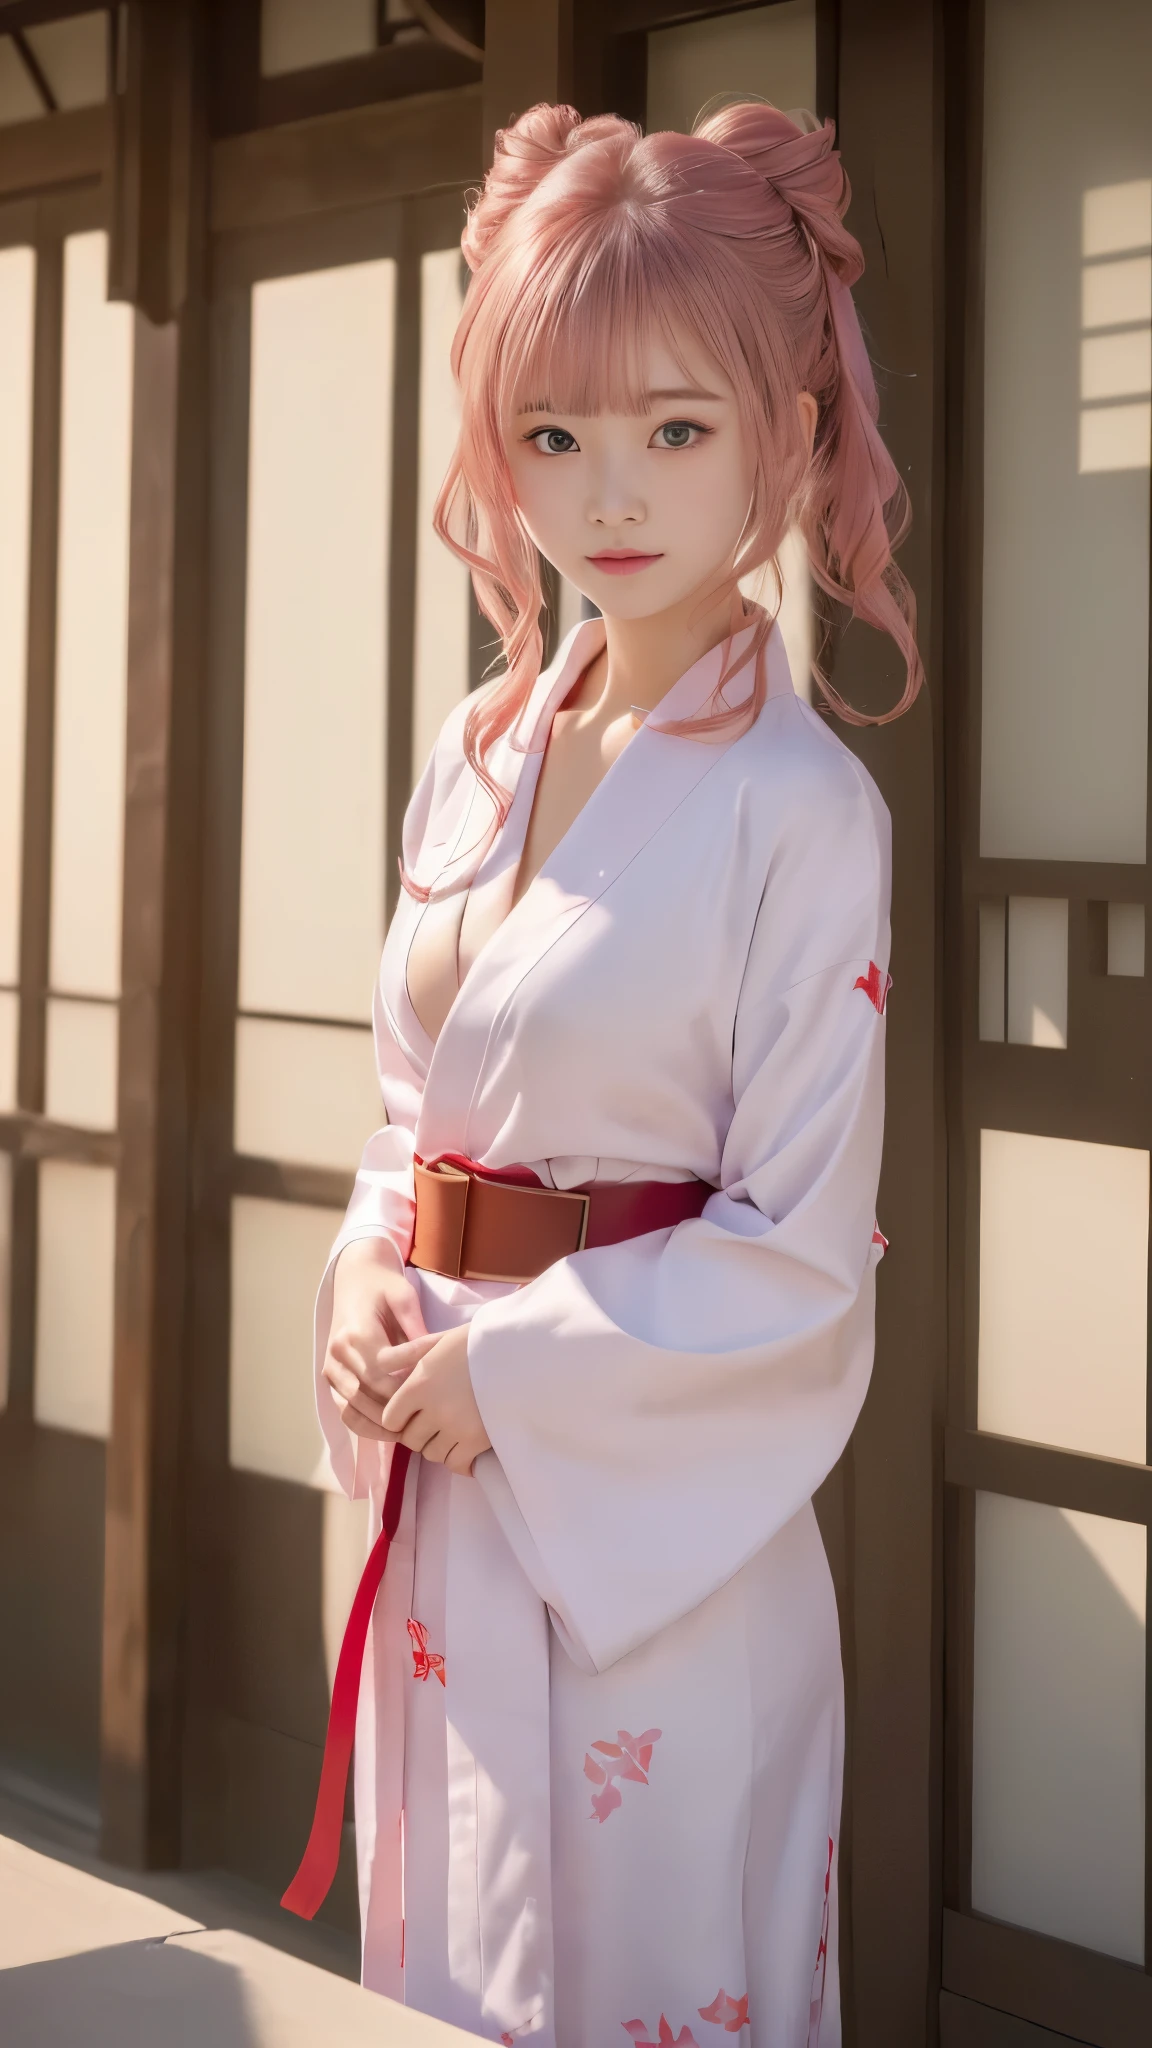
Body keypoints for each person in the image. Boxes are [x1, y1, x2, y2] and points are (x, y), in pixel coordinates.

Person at [309, 99, 921, 2048]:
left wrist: (518, 1361)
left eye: (675, 427)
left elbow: (802, 1246)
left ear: (788, 433)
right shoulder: (479, 749)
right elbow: (409, 1112)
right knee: (452, 1968)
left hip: (649, 1511)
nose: (610, 492)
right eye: (555, 432)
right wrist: (373, 1276)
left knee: (657, 1972)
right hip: (451, 1473)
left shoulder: (801, 807)